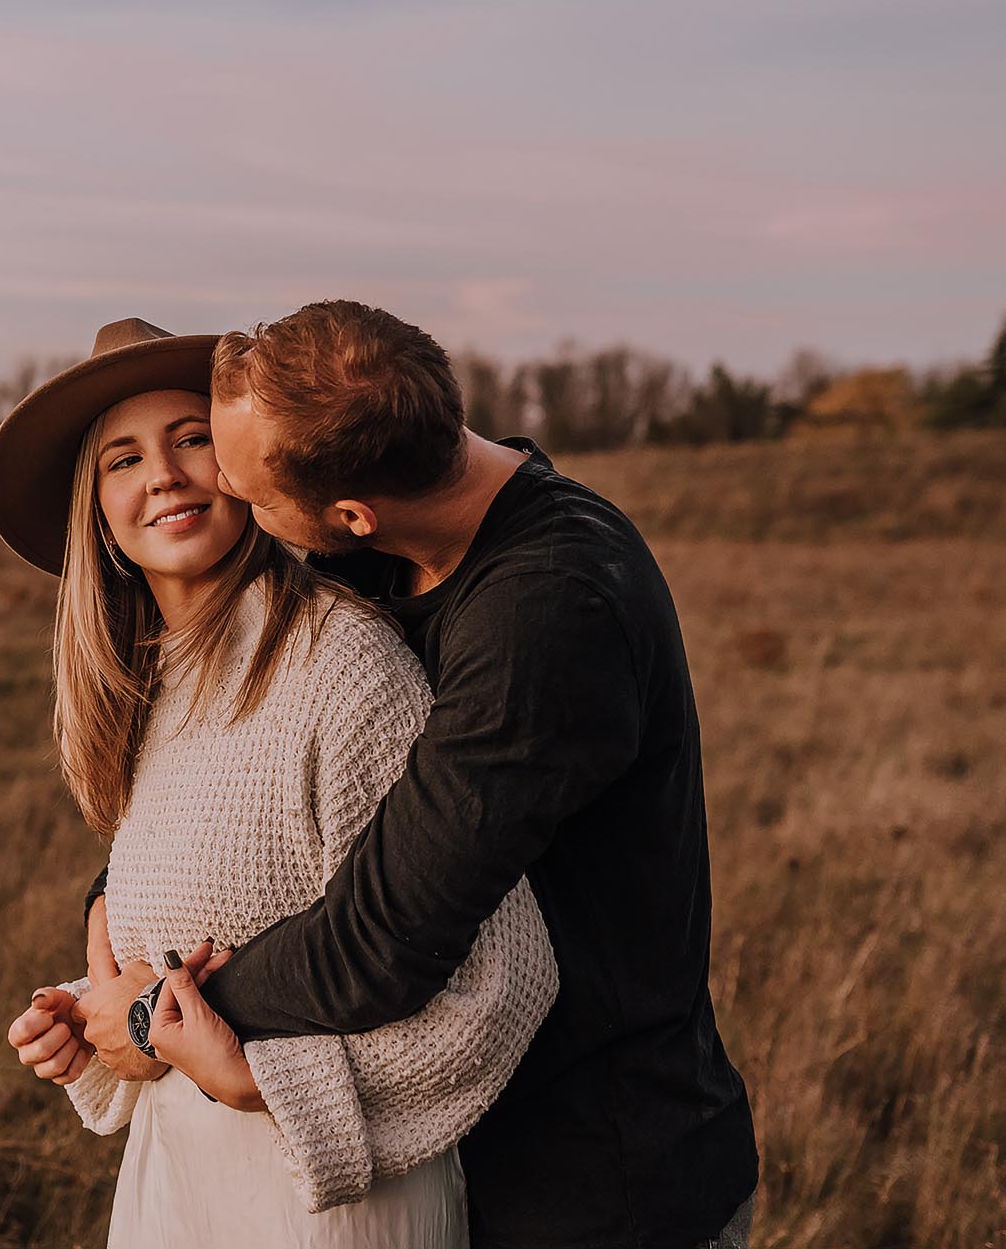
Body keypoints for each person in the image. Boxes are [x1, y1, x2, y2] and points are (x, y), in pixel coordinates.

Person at [69, 301, 758, 1249]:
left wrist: (160, 1012)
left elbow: (381, 933)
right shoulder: (394, 548)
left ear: (350, 514)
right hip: (463, 1159)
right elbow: (233, 781)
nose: (216, 486)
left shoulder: (549, 610)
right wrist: (120, 891)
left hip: (599, 1176)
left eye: (249, 488)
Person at [0, 317, 558, 1246]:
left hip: (326, 1207)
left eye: (192, 439)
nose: (163, 474)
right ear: (97, 510)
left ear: (251, 465)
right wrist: (90, 1021)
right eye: (123, 459)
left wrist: (262, 1082)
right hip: (176, 1187)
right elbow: (212, 948)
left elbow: (504, 976)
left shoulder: (342, 664)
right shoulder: (151, 685)